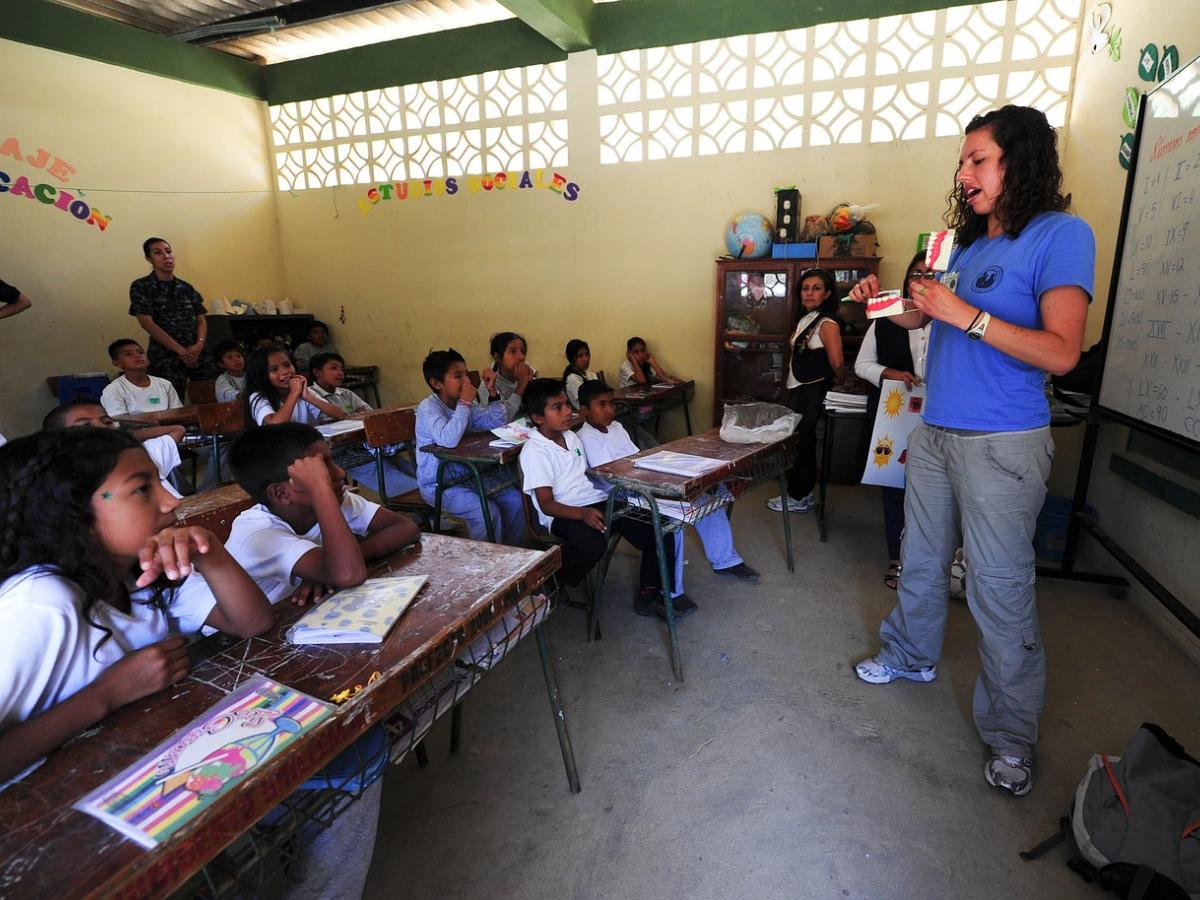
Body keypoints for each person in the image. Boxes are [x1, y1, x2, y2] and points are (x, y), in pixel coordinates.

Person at [849, 105, 1094, 798]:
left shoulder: (1062, 236)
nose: (964, 173)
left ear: (1020, 162)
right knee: (920, 562)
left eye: (977, 160)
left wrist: (971, 316)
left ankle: (1011, 734)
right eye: (964, 162)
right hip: (937, 432)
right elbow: (922, 317)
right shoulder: (962, 244)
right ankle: (910, 655)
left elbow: (1064, 350)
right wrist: (882, 305)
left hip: (1003, 444)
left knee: (998, 587)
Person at [0, 427, 272, 785]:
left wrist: (210, 552)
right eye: (142, 488)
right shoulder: (40, 603)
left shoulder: (138, 576)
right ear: (70, 511)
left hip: (131, 776)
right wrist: (106, 695)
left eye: (160, 481)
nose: (171, 501)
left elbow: (253, 623)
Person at [520, 378, 691, 621]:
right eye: (558, 408)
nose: (568, 411)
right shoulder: (535, 451)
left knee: (661, 526)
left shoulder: (571, 437)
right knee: (593, 544)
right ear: (538, 418)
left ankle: (649, 593)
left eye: (566, 405)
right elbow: (546, 504)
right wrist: (582, 514)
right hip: (563, 513)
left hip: (597, 500)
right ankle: (553, 580)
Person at [577, 379, 758, 585]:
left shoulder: (617, 427)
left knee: (710, 501)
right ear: (584, 411)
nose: (609, 409)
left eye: (611, 404)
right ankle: (671, 590)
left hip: (642, 483)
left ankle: (726, 560)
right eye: (602, 405)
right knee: (673, 522)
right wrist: (657, 484)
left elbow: (636, 457)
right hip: (622, 495)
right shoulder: (586, 437)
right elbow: (612, 475)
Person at [854, 251, 934, 589]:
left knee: (933, 490)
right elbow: (862, 365)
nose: (920, 280)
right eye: (915, 273)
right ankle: (898, 558)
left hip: (938, 412)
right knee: (895, 486)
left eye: (929, 274)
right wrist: (892, 372)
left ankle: (933, 562)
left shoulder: (950, 320)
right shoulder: (886, 319)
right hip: (896, 411)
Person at [414, 349, 525, 544]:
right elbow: (447, 439)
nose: (466, 381)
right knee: (486, 512)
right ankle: (486, 566)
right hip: (440, 484)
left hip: (469, 476)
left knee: (515, 500)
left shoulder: (465, 404)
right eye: (458, 376)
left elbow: (495, 421)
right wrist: (465, 402)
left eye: (466, 374)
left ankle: (512, 554)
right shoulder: (429, 408)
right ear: (436, 383)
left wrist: (492, 394)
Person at [766, 268, 844, 514]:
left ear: (828, 293)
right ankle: (803, 493)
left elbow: (837, 362)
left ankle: (798, 496)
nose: (809, 293)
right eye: (805, 288)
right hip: (799, 389)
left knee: (804, 443)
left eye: (816, 288)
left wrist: (841, 381)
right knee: (800, 443)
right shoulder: (807, 318)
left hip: (812, 391)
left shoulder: (827, 323)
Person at [310, 351, 418, 500]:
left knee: (406, 466)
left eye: (341, 369)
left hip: (360, 445)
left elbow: (369, 414)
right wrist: (351, 416)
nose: (340, 373)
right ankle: (419, 504)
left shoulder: (345, 393)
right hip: (339, 452)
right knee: (386, 473)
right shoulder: (309, 395)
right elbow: (343, 418)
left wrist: (352, 417)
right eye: (333, 368)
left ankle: (424, 502)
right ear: (317, 372)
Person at [43, 399, 187, 499]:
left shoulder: (141, 454)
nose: (102, 428)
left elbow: (177, 430)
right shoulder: (74, 482)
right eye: (85, 426)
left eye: (107, 422)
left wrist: (129, 436)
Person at [128, 237, 215, 397]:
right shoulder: (142, 287)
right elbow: (147, 323)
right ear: (149, 259)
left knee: (209, 399)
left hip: (197, 354)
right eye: (158, 253)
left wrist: (198, 345)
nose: (166, 256)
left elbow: (201, 319)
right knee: (169, 403)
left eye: (168, 251)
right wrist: (181, 351)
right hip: (165, 357)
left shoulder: (186, 287)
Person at [243, 345, 347, 427]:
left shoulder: (303, 392)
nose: (285, 372)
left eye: (288, 365)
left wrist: (308, 397)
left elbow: (340, 414)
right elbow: (275, 425)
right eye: (274, 369)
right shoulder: (257, 397)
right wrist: (293, 395)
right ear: (261, 375)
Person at [100, 338, 182, 417]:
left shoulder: (165, 384)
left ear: (148, 359)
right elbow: (119, 421)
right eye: (128, 354)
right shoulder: (113, 390)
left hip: (170, 428)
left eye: (140, 352)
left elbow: (178, 413)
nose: (137, 356)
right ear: (117, 364)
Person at [477, 331, 535, 421]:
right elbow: (502, 419)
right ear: (497, 357)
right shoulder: (488, 386)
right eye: (513, 351)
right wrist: (521, 386)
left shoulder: (527, 380)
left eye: (523, 351)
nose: (521, 357)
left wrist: (532, 386)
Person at [562, 338, 599, 410]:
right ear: (571, 359)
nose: (585, 359)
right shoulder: (572, 378)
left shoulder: (588, 373)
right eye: (580, 356)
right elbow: (589, 402)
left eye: (587, 354)